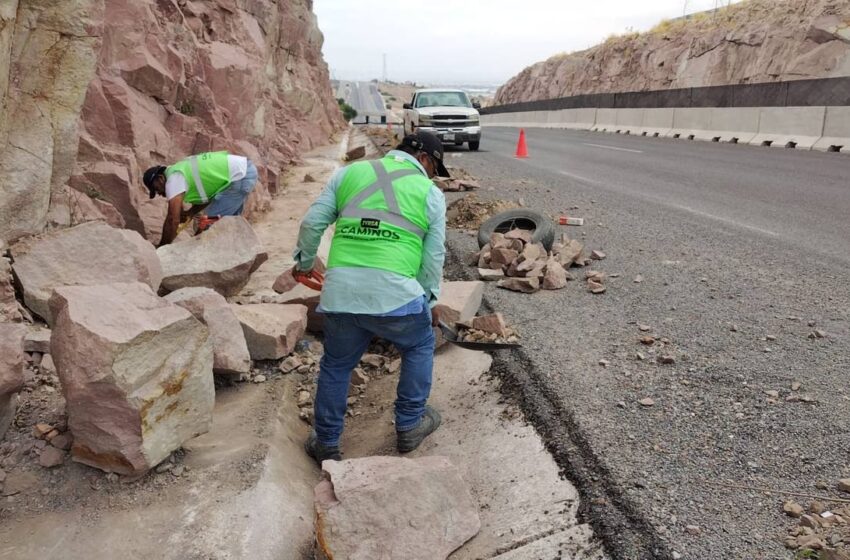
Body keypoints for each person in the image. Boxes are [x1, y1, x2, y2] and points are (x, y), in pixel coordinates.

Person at [292, 130, 448, 465]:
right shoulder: (430, 194)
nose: (434, 175)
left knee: (336, 364)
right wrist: (428, 302)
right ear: (424, 159)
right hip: (397, 296)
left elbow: (311, 224)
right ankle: (409, 425)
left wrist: (303, 264)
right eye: (435, 168)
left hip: (341, 293)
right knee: (419, 345)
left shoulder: (349, 173)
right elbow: (433, 260)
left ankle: (327, 443)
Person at [142, 151, 258, 246]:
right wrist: (191, 212)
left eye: (156, 189)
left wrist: (162, 247)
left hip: (240, 176)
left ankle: (208, 262)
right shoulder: (180, 169)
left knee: (206, 225)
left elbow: (173, 219)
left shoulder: (174, 179)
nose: (159, 193)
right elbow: (208, 196)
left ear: (160, 178)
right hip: (243, 170)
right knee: (225, 223)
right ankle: (236, 253)